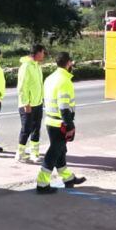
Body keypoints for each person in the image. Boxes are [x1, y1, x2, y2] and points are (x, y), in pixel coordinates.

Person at [37, 52, 86, 194]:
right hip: (60, 123)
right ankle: (42, 183)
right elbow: (64, 107)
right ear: (69, 63)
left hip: (50, 121)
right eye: (71, 63)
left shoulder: (50, 78)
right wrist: (70, 126)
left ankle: (68, 178)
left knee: (60, 151)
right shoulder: (65, 81)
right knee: (53, 153)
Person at [16, 44, 46, 163]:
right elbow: (22, 87)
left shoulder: (37, 66)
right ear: (37, 53)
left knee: (36, 129)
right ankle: (20, 153)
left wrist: (41, 99)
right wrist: (26, 103)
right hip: (27, 105)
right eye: (43, 52)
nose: (44, 55)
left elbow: (38, 85)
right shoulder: (26, 66)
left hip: (38, 103)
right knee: (26, 129)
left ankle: (34, 153)